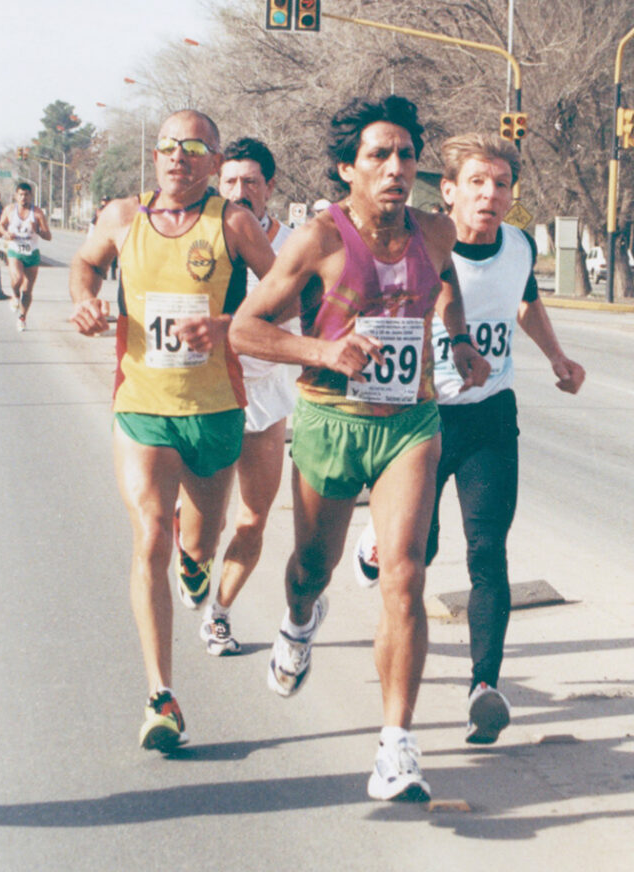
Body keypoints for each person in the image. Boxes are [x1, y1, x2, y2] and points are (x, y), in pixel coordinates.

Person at [228, 95, 488, 802]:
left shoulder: (435, 233)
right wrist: (322, 349)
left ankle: (396, 747)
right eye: (379, 155)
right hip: (330, 419)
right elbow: (245, 331)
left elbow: (447, 292)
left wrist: (459, 341)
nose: (396, 168)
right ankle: (298, 620)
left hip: (410, 422)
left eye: (406, 154)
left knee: (404, 575)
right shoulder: (319, 240)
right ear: (348, 168)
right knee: (313, 566)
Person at [353, 133, 586, 746]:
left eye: (502, 184)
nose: (490, 194)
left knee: (489, 552)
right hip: (425, 419)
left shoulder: (520, 244)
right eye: (477, 183)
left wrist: (559, 358)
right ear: (449, 192)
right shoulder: (424, 245)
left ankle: (485, 687)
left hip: (489, 415)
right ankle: (376, 540)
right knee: (417, 556)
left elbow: (526, 303)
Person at [69, 109, 275, 751]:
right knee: (151, 533)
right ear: (153, 158)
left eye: (192, 147)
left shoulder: (233, 222)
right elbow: (84, 266)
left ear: (214, 162)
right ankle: (161, 697)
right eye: (166, 147)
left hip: (215, 409)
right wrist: (85, 300)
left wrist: (228, 325)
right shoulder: (122, 218)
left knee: (199, 539)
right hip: (143, 402)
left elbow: (289, 296)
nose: (176, 156)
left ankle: (198, 561)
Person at [197, 136, 298, 657]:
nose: (240, 192)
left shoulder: (297, 246)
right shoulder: (202, 233)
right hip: (209, 397)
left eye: (251, 182)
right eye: (230, 181)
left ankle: (219, 612)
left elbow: (309, 311)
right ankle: (193, 560)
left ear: (270, 187)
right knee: (203, 528)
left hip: (267, 400)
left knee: (253, 519)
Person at [0, 182, 52, 332]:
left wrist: (38, 231)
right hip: (15, 250)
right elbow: (0, 225)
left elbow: (48, 236)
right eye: (21, 194)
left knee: (27, 290)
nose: (23, 198)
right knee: (18, 279)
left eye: (26, 194)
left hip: (32, 253)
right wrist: (5, 233)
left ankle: (22, 317)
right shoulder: (9, 210)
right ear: (16, 195)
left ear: (31, 196)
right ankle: (15, 296)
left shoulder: (37, 213)